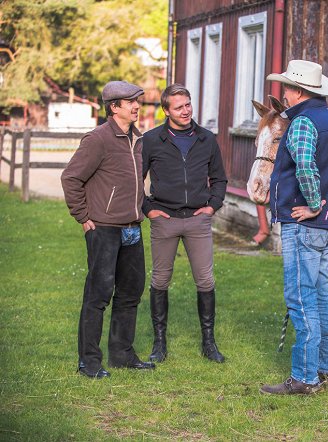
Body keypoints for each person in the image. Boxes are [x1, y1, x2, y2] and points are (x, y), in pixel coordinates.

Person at [260, 60, 328, 395]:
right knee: (322, 293)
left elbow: (306, 167)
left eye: (286, 87)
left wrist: (312, 204)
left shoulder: (302, 122)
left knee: (301, 296)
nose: (284, 92)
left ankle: (305, 377)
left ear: (297, 91)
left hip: (305, 223)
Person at [62, 80, 155, 378]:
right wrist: (83, 217)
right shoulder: (98, 139)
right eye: (130, 102)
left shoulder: (136, 139)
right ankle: (88, 362)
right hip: (103, 229)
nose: (136, 105)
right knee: (98, 294)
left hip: (132, 229)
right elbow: (71, 178)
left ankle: (122, 354)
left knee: (130, 293)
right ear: (114, 107)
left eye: (137, 100)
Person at [142, 84, 228, 364]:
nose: (186, 110)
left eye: (188, 104)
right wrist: (148, 209)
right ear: (166, 111)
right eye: (178, 107)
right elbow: (134, 180)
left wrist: (212, 206)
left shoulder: (206, 139)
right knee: (160, 280)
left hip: (197, 221)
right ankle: (159, 343)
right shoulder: (152, 140)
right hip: (164, 219)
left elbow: (219, 179)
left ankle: (209, 343)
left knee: (205, 281)